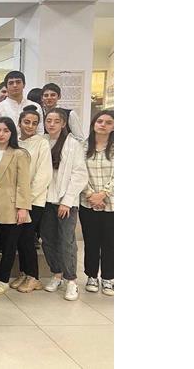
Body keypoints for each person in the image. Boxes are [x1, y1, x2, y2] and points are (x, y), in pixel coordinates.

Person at [40, 108, 88, 301]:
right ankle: (57, 274)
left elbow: (79, 174)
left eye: (56, 121)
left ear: (63, 123)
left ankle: (71, 280)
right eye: (48, 120)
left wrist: (67, 201)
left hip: (65, 203)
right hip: (45, 201)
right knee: (48, 239)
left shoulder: (72, 144)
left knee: (66, 241)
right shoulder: (42, 141)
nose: (51, 124)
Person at [0, 117, 32, 296]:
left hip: (11, 207)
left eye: (5, 130)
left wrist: (23, 207)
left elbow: (24, 183)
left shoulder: (19, 154)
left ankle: (3, 279)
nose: (1, 134)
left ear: (12, 133)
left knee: (9, 247)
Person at [11, 106, 52, 293]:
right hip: (17, 199)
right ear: (19, 123)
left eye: (34, 123)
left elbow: (43, 175)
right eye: (26, 122)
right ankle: (24, 273)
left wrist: (26, 200)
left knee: (28, 237)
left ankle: (34, 277)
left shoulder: (42, 143)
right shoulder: (15, 143)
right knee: (19, 238)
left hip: (33, 201)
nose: (30, 126)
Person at [80, 110, 114, 296]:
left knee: (110, 242)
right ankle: (91, 276)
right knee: (91, 241)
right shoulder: (83, 147)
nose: (103, 125)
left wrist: (103, 194)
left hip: (112, 203)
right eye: (100, 121)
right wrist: (91, 194)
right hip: (88, 202)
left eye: (108, 122)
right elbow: (79, 172)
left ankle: (108, 277)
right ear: (93, 124)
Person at [0, 71, 44, 136]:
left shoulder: (36, 106)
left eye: (18, 82)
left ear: (24, 84)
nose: (15, 85)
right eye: (11, 83)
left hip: (33, 142)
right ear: (6, 86)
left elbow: (40, 132)